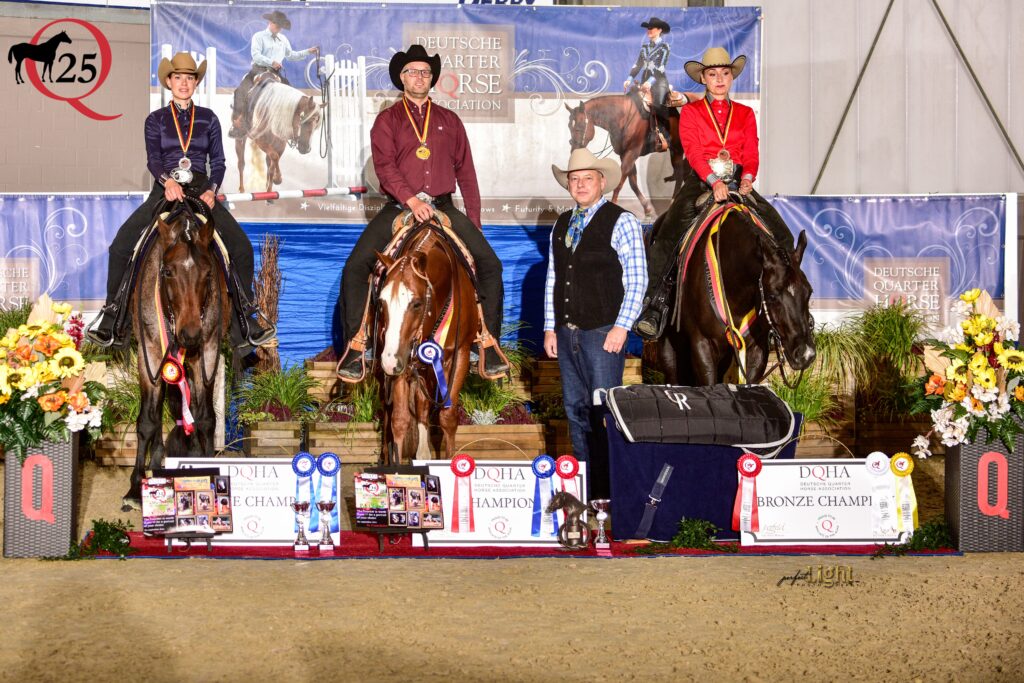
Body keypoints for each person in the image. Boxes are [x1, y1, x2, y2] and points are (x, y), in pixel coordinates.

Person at [336, 44, 507, 380]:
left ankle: (485, 343)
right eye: (413, 72)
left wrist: (474, 221)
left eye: (425, 72)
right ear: (402, 78)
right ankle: (357, 346)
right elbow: (385, 168)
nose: (419, 77)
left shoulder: (449, 120)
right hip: (399, 208)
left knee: (490, 264)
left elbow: (466, 173)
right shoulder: (387, 120)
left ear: (432, 79)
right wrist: (412, 201)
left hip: (443, 206)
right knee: (355, 268)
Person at [85, 53, 275, 351]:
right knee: (121, 246)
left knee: (241, 247)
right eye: (178, 78)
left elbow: (219, 162)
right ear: (169, 82)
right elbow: (153, 159)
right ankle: (112, 317)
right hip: (166, 189)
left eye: (189, 78)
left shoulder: (209, 118)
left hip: (200, 190)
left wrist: (212, 189)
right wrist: (167, 181)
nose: (183, 83)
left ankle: (246, 318)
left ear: (195, 83)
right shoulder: (155, 120)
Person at [633, 47, 795, 340]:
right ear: (703, 79)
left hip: (738, 182)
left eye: (724, 73)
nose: (719, 79)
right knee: (667, 235)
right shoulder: (691, 112)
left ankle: (782, 311)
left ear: (731, 77)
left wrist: (748, 178)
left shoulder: (745, 113)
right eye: (712, 74)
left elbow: (751, 151)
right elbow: (693, 151)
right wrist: (713, 181)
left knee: (783, 237)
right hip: (701, 181)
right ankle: (654, 305)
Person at [545, 148, 648, 467]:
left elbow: (637, 279)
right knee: (575, 409)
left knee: (604, 411)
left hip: (603, 332)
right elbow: (553, 278)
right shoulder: (562, 224)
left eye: (587, 178)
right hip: (567, 333)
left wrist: (622, 327)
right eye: (574, 179)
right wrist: (550, 327)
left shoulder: (622, 221)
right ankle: (584, 478)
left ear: (602, 182)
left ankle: (607, 480)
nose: (580, 184)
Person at [229, 10, 319, 139]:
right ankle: (238, 124)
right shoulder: (258, 36)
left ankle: (289, 126)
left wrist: (307, 52)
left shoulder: (283, 39)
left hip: (275, 73)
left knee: (291, 96)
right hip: (258, 70)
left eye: (281, 26)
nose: (279, 29)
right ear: (270, 22)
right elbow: (256, 55)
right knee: (240, 91)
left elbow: (291, 55)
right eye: (278, 25)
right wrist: (271, 62)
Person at [624, 17, 673, 153]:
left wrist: (649, 82)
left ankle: (663, 135)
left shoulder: (664, 47)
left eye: (651, 28)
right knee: (631, 100)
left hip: (659, 81)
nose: (648, 30)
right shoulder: (645, 47)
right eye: (648, 28)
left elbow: (660, 67)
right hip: (644, 82)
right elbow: (638, 64)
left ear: (660, 30)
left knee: (658, 104)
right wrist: (629, 78)